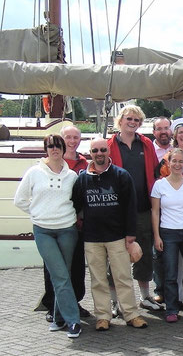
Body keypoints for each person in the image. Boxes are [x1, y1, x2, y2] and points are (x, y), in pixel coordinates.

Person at [71, 137, 148, 331]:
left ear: (108, 152)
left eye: (103, 150)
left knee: (122, 277)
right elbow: (75, 205)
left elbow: (131, 206)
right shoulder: (82, 179)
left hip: (117, 236)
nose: (99, 154)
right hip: (92, 237)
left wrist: (130, 235)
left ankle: (131, 314)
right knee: (98, 279)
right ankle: (103, 316)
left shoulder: (121, 176)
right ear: (90, 153)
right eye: (95, 150)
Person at [14, 134, 82, 338]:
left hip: (67, 229)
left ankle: (58, 317)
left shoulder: (72, 176)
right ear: (46, 149)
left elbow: (77, 202)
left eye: (58, 146)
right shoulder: (34, 173)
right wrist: (37, 213)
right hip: (43, 230)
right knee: (59, 274)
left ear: (63, 149)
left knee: (64, 275)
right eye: (50, 146)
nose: (55, 149)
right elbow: (20, 200)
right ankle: (73, 321)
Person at [107, 105, 162, 312]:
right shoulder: (110, 145)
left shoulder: (146, 144)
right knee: (115, 256)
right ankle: (114, 301)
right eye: (129, 119)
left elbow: (156, 173)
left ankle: (145, 296)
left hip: (142, 208)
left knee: (144, 254)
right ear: (120, 120)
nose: (132, 123)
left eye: (137, 120)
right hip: (117, 210)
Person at [40, 125, 90, 322]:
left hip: (76, 225)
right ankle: (52, 304)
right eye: (67, 137)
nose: (72, 141)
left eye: (75, 137)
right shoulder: (46, 166)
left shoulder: (85, 164)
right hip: (52, 225)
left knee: (76, 266)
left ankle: (74, 301)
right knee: (53, 266)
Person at [151, 148, 183, 322]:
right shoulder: (159, 185)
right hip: (168, 233)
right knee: (170, 272)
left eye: (181, 161)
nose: (177, 164)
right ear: (168, 163)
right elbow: (155, 212)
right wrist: (157, 236)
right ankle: (171, 309)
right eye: (174, 161)